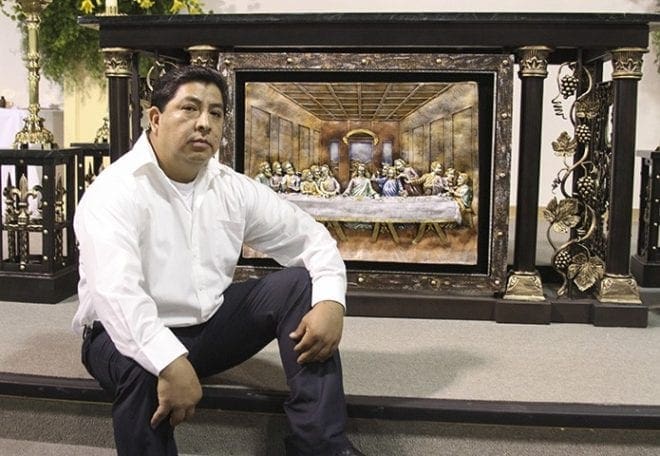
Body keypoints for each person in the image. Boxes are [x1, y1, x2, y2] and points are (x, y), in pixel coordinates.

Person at [72, 65, 364, 456]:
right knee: (143, 368)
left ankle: (319, 445)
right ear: (155, 119)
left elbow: (311, 238)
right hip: (116, 334)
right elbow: (117, 296)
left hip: (206, 327)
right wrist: (168, 361)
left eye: (214, 113)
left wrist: (331, 301)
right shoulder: (114, 193)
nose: (204, 124)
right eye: (189, 109)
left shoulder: (231, 187)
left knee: (299, 285)